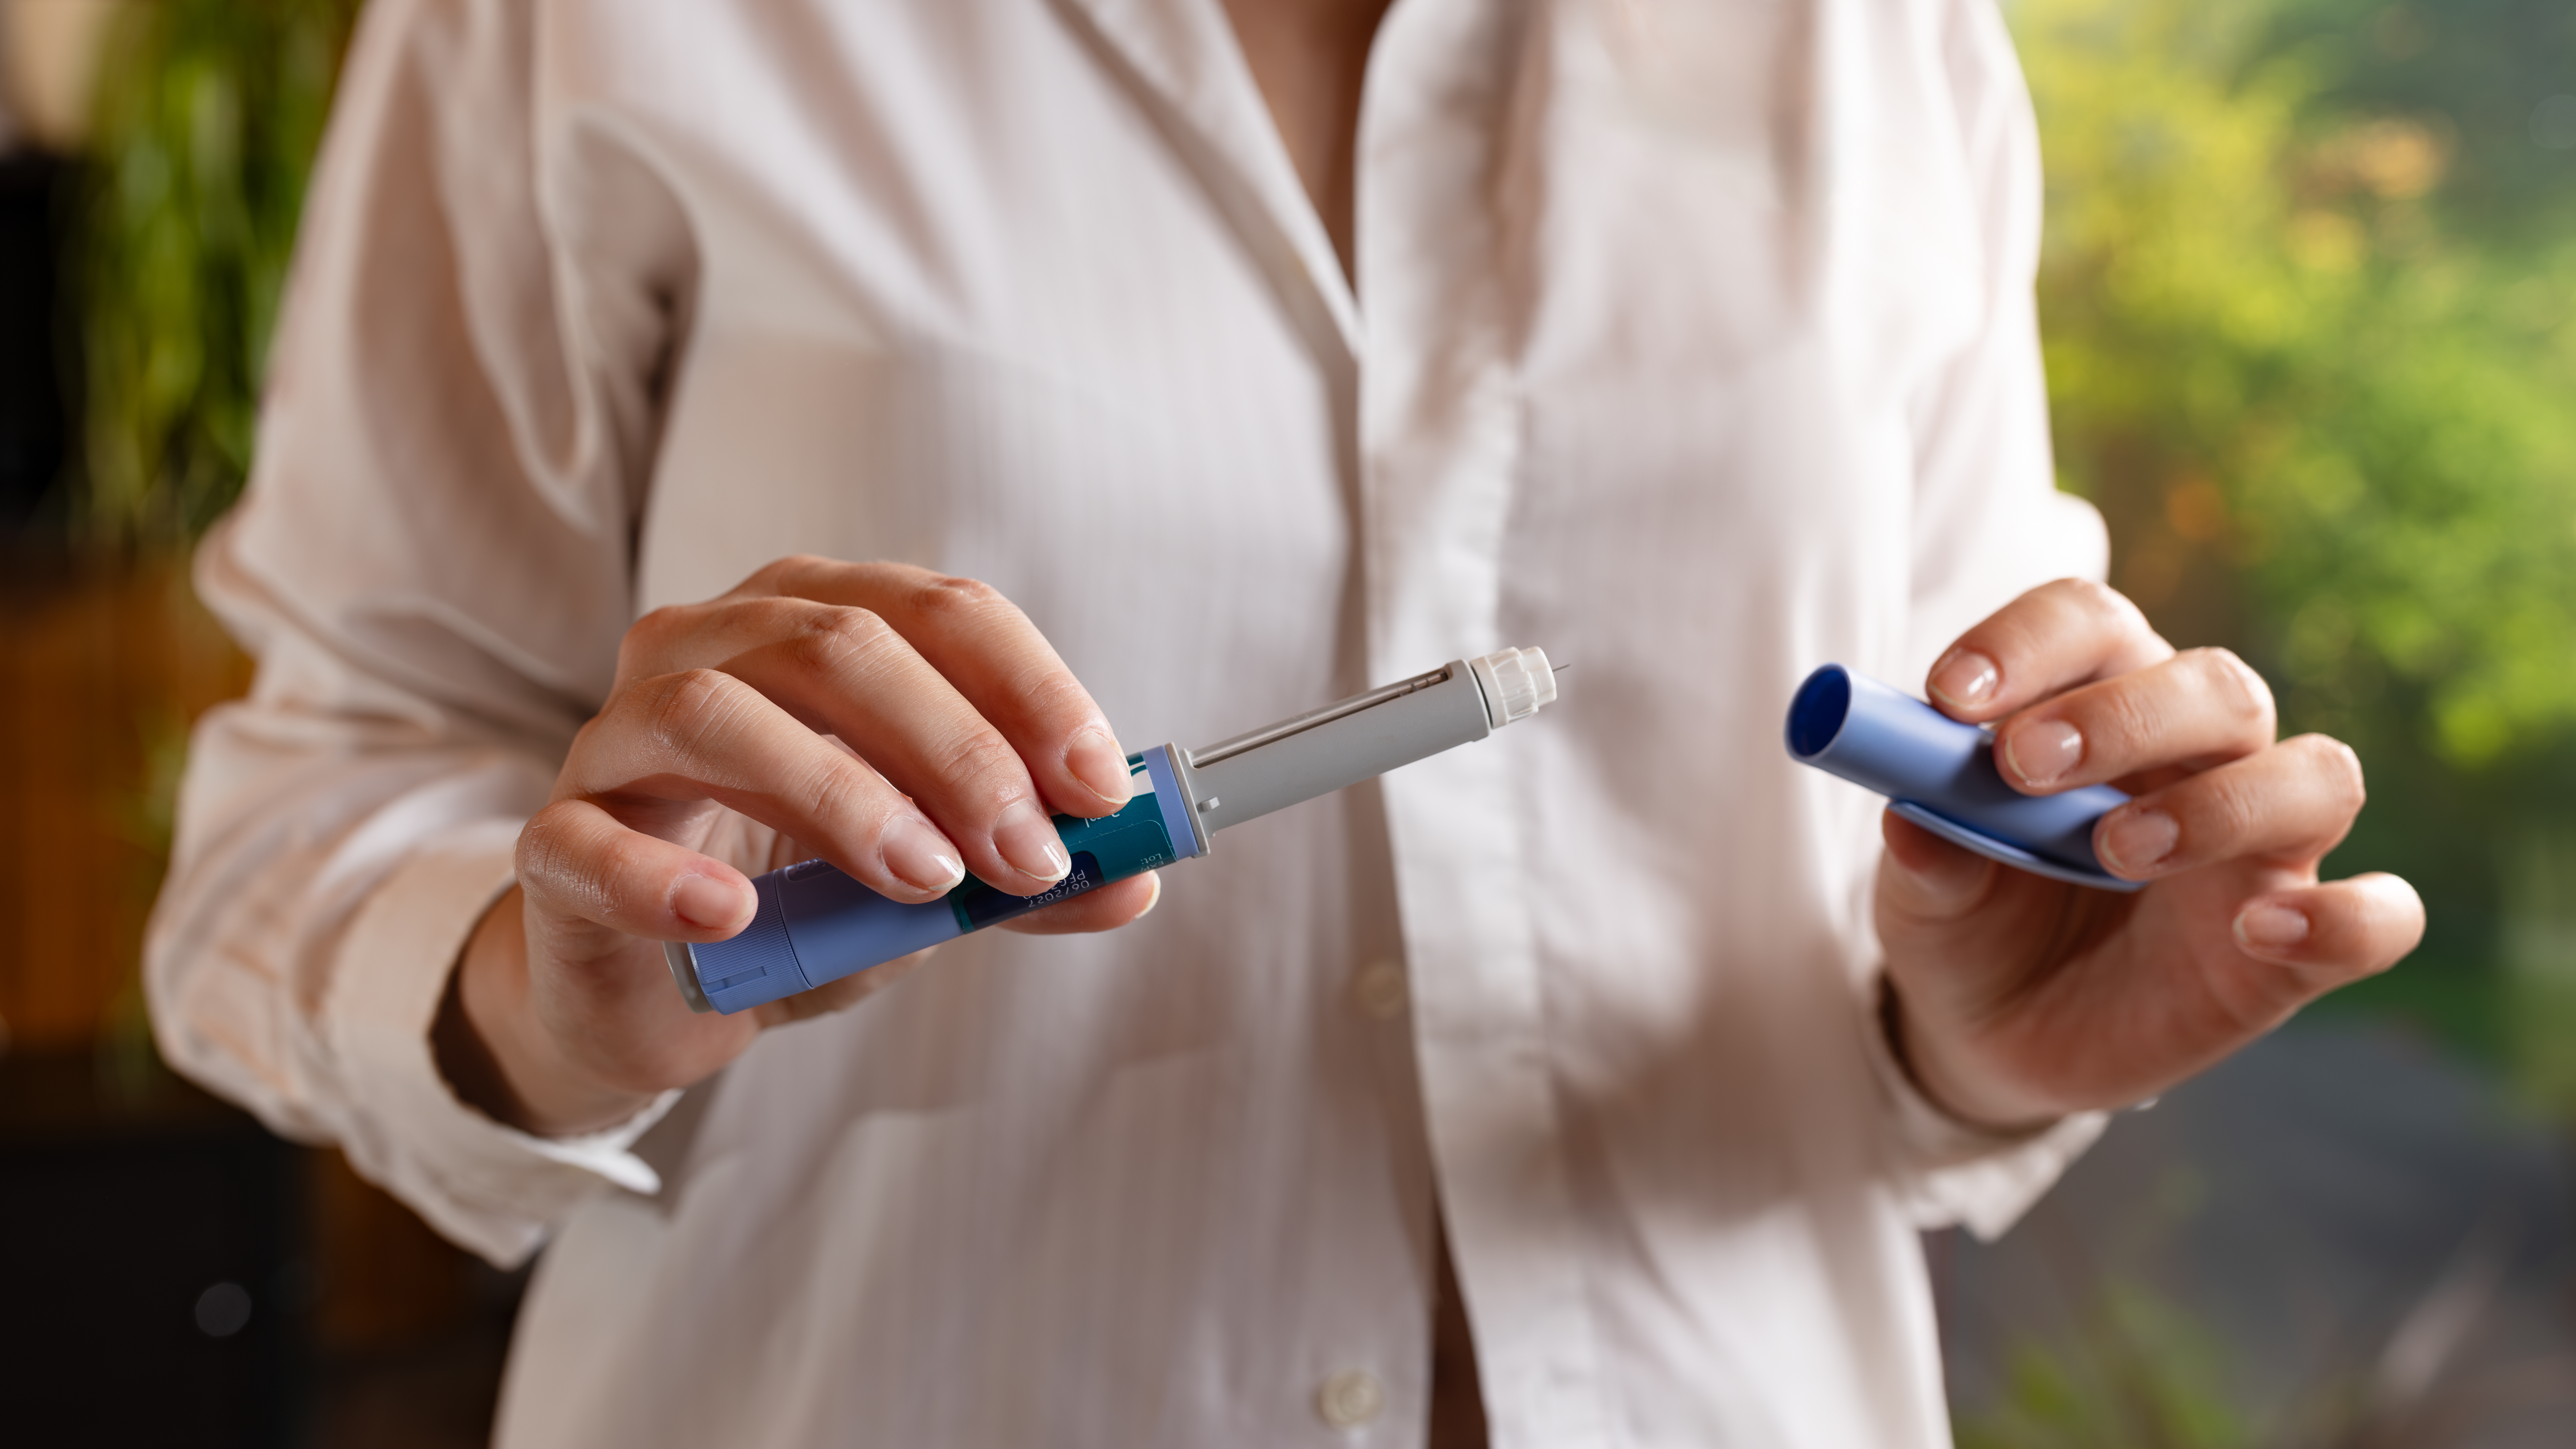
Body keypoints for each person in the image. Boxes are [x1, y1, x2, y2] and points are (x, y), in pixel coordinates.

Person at [145, 0, 2425, 1445]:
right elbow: (301, 819)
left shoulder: (1879, 41)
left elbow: (1904, 867)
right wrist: (560, 984)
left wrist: (1971, 1043)